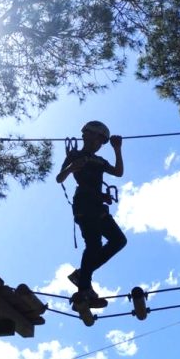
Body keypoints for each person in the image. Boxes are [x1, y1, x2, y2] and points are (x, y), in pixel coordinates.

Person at [56, 120, 127, 310]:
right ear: (87, 135)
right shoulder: (75, 154)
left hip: (97, 205)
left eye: (102, 142)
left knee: (118, 240)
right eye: (97, 139)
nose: (98, 144)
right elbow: (59, 178)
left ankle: (83, 276)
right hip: (84, 204)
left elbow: (118, 172)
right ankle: (84, 287)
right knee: (94, 244)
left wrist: (117, 149)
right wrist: (72, 168)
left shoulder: (99, 161)